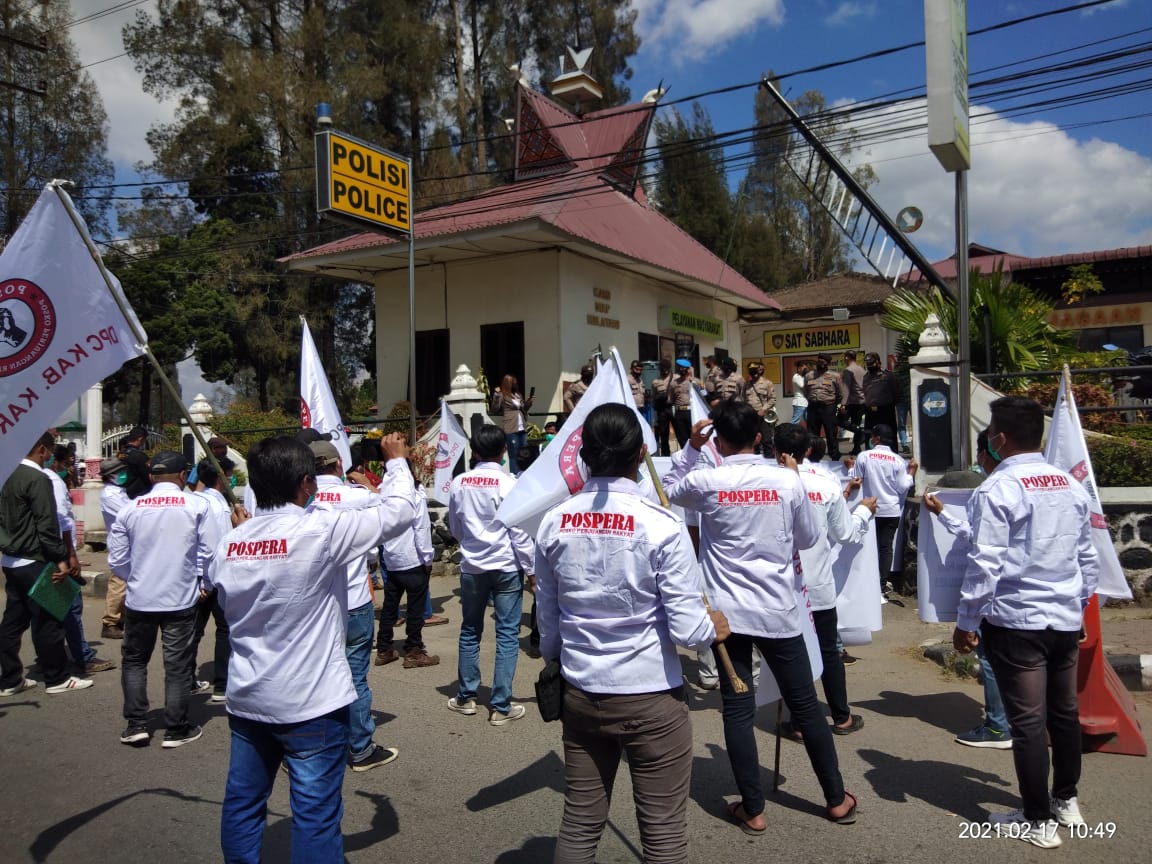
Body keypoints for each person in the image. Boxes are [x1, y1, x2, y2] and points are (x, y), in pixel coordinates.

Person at [535, 403, 730, 863]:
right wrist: (713, 628)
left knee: (580, 823)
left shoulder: (552, 521)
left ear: (583, 455)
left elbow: (548, 621)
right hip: (650, 699)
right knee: (663, 836)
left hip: (580, 693)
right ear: (642, 454)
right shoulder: (660, 524)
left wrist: (558, 665)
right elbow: (688, 628)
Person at [207, 433, 416, 863]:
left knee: (243, 804)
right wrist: (396, 463)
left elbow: (224, 604)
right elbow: (399, 512)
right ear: (307, 483)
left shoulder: (230, 543)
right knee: (315, 815)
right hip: (311, 703)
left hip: (249, 699)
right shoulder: (318, 530)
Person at [665, 402, 858, 830]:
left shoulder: (708, 479)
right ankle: (835, 798)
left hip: (728, 614)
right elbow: (809, 536)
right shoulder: (787, 481)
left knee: (736, 709)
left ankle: (752, 809)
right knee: (806, 706)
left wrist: (691, 450)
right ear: (758, 437)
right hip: (778, 610)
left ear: (718, 440)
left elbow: (669, 487)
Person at [953, 397, 1097, 847]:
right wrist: (1080, 604)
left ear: (998, 438)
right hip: (1063, 617)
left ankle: (1038, 820)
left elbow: (984, 563)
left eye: (992, 429)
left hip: (1017, 621)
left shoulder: (997, 489)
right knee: (1064, 713)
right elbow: (1087, 557)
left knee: (1030, 723)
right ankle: (1066, 800)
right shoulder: (1070, 485)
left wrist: (965, 621)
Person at [109, 451, 223, 747]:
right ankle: (176, 728)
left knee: (134, 661)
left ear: (151, 477)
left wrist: (137, 579)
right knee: (178, 666)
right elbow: (210, 550)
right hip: (180, 599)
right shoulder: (196, 504)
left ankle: (136, 724)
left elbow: (118, 561)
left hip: (139, 600)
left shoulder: (130, 509)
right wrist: (205, 583)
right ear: (183, 476)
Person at [307, 439, 403, 771]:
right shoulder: (359, 496)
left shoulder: (300, 499)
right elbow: (388, 526)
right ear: (337, 465)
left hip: (315, 606)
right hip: (355, 600)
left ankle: (311, 749)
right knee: (355, 676)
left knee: (317, 675)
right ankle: (360, 749)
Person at [775, 424, 874, 739]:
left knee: (794, 654)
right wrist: (862, 513)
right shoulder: (827, 484)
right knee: (829, 650)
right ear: (807, 450)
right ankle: (841, 716)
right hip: (817, 586)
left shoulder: (767, 484)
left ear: (775, 450)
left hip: (782, 587)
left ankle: (800, 721)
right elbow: (846, 534)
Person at [924, 429, 1012, 750]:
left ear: (985, 454)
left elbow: (982, 555)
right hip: (1048, 602)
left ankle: (999, 727)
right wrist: (943, 513)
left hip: (1002, 597)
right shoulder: (1059, 484)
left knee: (990, 658)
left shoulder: (990, 491)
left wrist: (967, 621)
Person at [447, 425, 536, 725]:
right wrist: (531, 570)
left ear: (474, 451)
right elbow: (520, 533)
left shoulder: (459, 483)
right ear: (502, 452)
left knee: (470, 630)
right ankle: (500, 706)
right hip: (506, 566)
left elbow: (455, 527)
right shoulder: (509, 484)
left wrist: (471, 544)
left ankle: (466, 696)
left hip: (473, 567)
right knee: (508, 634)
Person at [0, 432, 94, 697]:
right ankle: (57, 678)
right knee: (50, 621)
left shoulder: (6, 475)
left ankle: (9, 679)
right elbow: (47, 524)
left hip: (11, 559)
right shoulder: (37, 478)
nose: (50, 456)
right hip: (36, 559)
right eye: (49, 451)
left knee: (13, 621)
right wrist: (61, 559)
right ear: (41, 449)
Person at [375, 457, 440, 670]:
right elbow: (421, 529)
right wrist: (428, 558)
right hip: (413, 558)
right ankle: (413, 649)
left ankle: (384, 648)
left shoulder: (382, 493)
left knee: (390, 607)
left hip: (392, 558)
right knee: (415, 607)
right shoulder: (415, 495)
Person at [846, 424, 917, 598]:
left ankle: (865, 582)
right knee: (886, 548)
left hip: (869, 509)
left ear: (876, 439)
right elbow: (902, 487)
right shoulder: (898, 460)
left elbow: (855, 480)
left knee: (866, 547)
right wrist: (912, 473)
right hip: (891, 510)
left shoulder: (864, 456)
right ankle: (881, 584)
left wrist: (849, 467)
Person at [190, 457, 236, 704]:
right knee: (224, 629)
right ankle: (222, 684)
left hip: (194, 575)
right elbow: (213, 547)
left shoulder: (193, 500)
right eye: (229, 476)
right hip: (212, 576)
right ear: (221, 478)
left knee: (193, 629)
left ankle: (186, 677)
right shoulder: (217, 507)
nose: (231, 480)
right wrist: (208, 582)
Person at [100, 457, 130, 639]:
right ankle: (109, 622)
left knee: (126, 584)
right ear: (109, 476)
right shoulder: (110, 495)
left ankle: (121, 620)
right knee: (119, 583)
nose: (123, 475)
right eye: (119, 472)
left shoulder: (120, 491)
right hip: (120, 545)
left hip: (129, 543)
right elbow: (127, 514)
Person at [805, 354, 846, 461]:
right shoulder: (809, 375)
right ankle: (813, 456)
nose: (821, 362)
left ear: (828, 363)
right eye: (819, 360)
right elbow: (806, 391)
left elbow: (840, 393)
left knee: (831, 433)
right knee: (812, 434)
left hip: (828, 407)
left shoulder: (835, 376)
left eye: (824, 361)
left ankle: (834, 457)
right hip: (813, 407)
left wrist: (833, 403)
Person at [491, 374, 533, 477]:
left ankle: (523, 475)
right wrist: (496, 395)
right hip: (511, 428)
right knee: (514, 455)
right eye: (512, 382)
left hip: (522, 427)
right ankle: (514, 476)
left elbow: (524, 410)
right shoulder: (502, 395)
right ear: (507, 384)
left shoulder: (518, 395)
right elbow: (495, 409)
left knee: (524, 454)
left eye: (515, 382)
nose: (515, 384)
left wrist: (529, 402)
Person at [742, 361, 776, 457]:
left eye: (754, 370)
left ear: (759, 370)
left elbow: (772, 399)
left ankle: (769, 461)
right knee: (753, 440)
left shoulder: (767, 383)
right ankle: (756, 461)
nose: (753, 372)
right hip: (750, 416)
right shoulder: (746, 384)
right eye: (751, 371)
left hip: (763, 416)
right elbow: (744, 399)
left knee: (766, 440)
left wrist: (763, 409)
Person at [861, 352, 899, 437]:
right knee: (870, 437)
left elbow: (896, 394)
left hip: (885, 412)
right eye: (868, 363)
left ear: (878, 362)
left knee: (888, 437)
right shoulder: (865, 377)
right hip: (870, 413)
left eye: (871, 363)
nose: (869, 365)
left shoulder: (888, 376)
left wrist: (887, 404)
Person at [841, 351, 867, 455]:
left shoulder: (848, 370)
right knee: (856, 423)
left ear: (847, 357)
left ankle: (860, 432)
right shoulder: (862, 369)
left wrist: (843, 403)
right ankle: (857, 448)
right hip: (862, 401)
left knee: (839, 420)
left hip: (852, 401)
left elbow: (846, 388)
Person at [669, 358, 696, 449]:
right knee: (682, 438)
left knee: (693, 436)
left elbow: (702, 396)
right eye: (680, 368)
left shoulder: (695, 382)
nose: (681, 370)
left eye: (684, 368)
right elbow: (670, 399)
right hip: (679, 413)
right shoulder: (674, 383)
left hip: (691, 412)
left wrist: (693, 379)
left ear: (689, 369)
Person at [650, 358, 674, 457]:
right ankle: (666, 455)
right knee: (664, 434)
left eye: (666, 368)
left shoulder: (675, 378)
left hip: (673, 408)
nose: (664, 369)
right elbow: (653, 397)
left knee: (681, 432)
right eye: (662, 367)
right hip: (662, 410)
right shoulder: (656, 381)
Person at [790, 361, 809, 425]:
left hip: (806, 402)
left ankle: (810, 434)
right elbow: (803, 387)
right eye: (804, 369)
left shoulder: (804, 377)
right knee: (795, 421)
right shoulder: (796, 376)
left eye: (806, 369)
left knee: (809, 420)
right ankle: (790, 434)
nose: (805, 370)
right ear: (799, 369)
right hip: (799, 402)